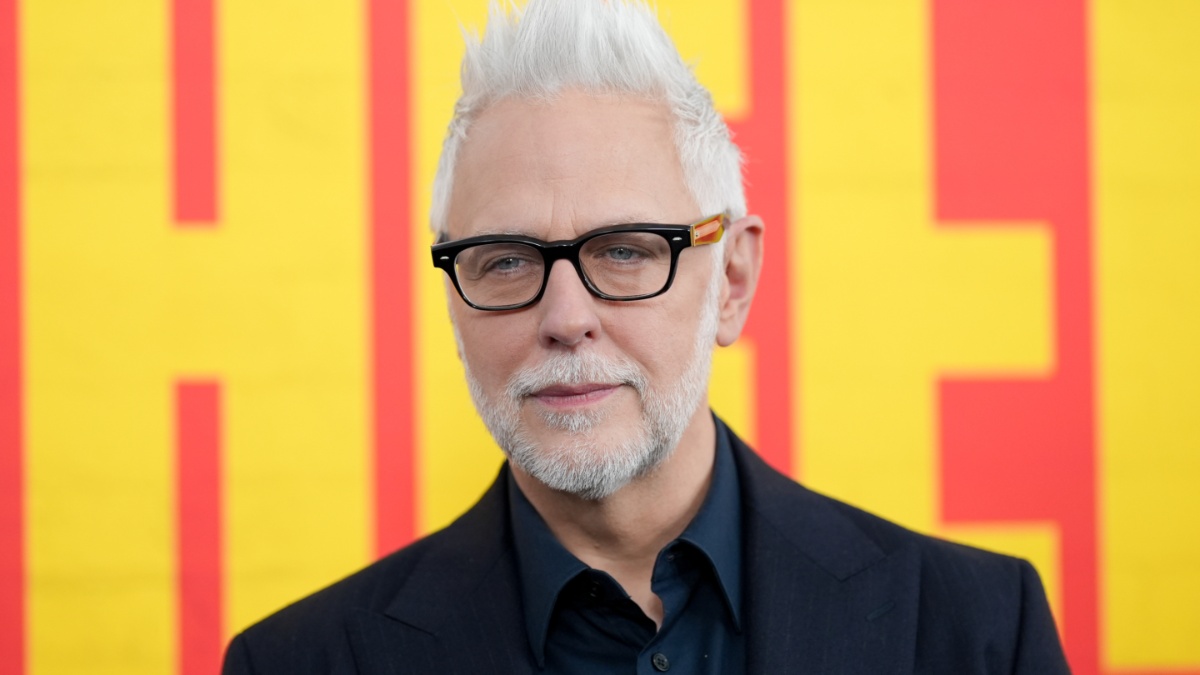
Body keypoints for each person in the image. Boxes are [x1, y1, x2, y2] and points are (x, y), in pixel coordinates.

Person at [222, 1, 1070, 673]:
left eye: (625, 250)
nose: (565, 318)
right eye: (506, 260)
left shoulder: (976, 632)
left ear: (731, 279)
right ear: (453, 298)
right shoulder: (301, 661)